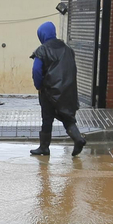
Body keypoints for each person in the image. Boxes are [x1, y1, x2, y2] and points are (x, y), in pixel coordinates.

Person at [29, 20, 87, 157]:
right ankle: (78, 138)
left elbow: (37, 70)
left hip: (49, 91)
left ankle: (44, 147)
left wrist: (39, 86)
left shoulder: (41, 50)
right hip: (67, 91)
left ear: (42, 35)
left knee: (47, 118)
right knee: (67, 117)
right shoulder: (67, 49)